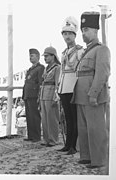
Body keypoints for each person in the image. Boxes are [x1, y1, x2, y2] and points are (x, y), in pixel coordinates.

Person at [72, 11, 110, 168]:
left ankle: (99, 159)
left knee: (96, 129)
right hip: (81, 95)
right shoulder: (86, 51)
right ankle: (87, 156)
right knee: (84, 129)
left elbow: (102, 74)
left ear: (95, 30)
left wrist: (93, 94)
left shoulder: (101, 49)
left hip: (92, 95)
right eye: (82, 30)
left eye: (86, 29)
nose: (83, 33)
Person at [57, 16, 84, 155]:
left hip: (73, 87)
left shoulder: (80, 51)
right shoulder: (64, 53)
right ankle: (67, 144)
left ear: (75, 35)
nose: (67, 36)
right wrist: (59, 87)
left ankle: (74, 145)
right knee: (67, 118)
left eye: (70, 33)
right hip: (64, 88)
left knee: (74, 117)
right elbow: (62, 72)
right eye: (65, 33)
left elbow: (80, 71)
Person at [22, 48, 45, 142]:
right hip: (28, 95)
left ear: (38, 57)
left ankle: (36, 136)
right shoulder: (30, 69)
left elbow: (40, 82)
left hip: (34, 95)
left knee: (35, 116)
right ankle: (31, 135)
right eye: (30, 56)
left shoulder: (40, 68)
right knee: (29, 116)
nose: (30, 58)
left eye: (32, 56)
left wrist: (39, 95)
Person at [40, 46, 61, 147]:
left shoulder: (57, 68)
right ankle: (46, 138)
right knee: (44, 118)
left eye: (47, 56)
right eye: (44, 56)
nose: (45, 58)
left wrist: (56, 96)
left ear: (53, 56)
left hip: (51, 93)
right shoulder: (46, 68)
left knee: (52, 118)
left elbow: (57, 83)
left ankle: (53, 139)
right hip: (44, 94)